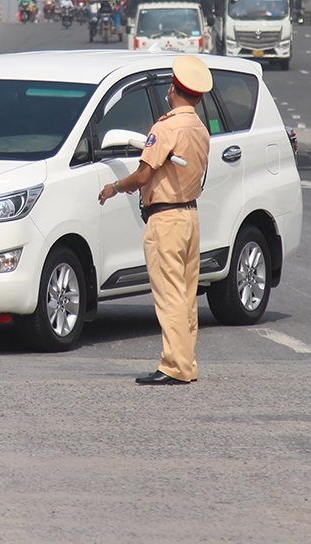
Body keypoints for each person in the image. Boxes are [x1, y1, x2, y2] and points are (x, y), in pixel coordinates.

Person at [97, 55, 212, 386]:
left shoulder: (166, 127)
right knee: (186, 294)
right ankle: (185, 363)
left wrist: (115, 187)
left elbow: (144, 174)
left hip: (166, 220)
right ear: (198, 96)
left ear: (173, 90)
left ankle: (174, 366)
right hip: (190, 216)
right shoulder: (200, 129)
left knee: (169, 295)